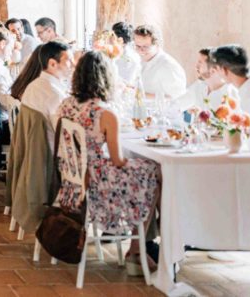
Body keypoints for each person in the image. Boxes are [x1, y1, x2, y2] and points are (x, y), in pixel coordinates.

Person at [56, 51, 161, 271]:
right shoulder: (105, 114)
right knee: (154, 176)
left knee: (148, 173)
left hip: (73, 180)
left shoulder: (65, 105)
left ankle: (142, 248)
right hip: (98, 184)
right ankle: (138, 249)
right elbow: (118, 160)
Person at [18, 41, 73, 143]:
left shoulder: (34, 85)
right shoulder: (54, 94)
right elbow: (65, 134)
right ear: (52, 63)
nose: (73, 64)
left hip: (34, 147)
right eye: (69, 60)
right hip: (50, 151)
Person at [171, 48, 235, 113]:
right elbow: (176, 105)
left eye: (200, 63)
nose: (196, 66)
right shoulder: (198, 86)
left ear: (213, 69)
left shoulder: (230, 94)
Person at [133, 25, 187, 99]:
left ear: (157, 45)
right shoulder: (141, 60)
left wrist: (140, 95)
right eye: (138, 46)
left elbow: (177, 98)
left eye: (145, 47)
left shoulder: (168, 67)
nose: (140, 50)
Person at [111, 21, 141, 86]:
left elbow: (123, 79)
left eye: (112, 34)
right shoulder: (133, 53)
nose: (110, 37)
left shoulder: (126, 56)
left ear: (119, 38)